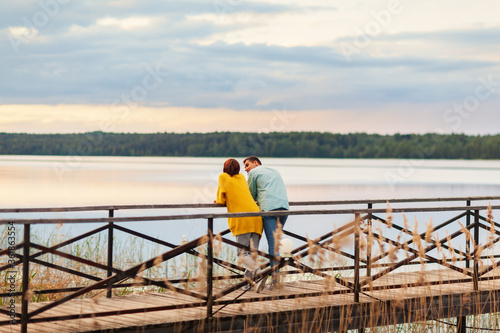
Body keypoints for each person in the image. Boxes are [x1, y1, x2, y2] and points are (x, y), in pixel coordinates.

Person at [216, 158, 263, 290]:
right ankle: (249, 284)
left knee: (242, 254)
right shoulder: (242, 177)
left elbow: (221, 197)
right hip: (256, 215)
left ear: (225, 168)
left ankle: (259, 273)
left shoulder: (223, 177)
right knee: (252, 254)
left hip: (243, 218)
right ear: (238, 168)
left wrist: (219, 200)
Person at [243, 156, 289, 285]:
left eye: (247, 165)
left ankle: (275, 280)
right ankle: (275, 276)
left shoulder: (253, 172)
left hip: (269, 209)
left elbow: (251, 194)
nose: (246, 169)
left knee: (272, 244)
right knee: (276, 244)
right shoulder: (274, 171)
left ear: (255, 163)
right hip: (284, 208)